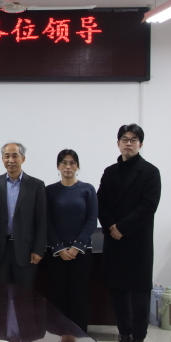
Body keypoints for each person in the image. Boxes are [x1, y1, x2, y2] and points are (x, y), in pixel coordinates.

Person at [97, 124, 161, 342]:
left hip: (137, 242)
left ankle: (139, 336)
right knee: (117, 291)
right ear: (118, 143)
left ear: (140, 144)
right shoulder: (109, 172)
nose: (129, 143)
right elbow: (100, 203)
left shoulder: (150, 172)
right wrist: (111, 227)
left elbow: (148, 206)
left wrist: (122, 228)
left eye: (133, 140)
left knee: (139, 294)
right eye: (125, 139)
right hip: (114, 242)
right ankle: (124, 333)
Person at [46, 149, 98, 332]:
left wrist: (77, 247)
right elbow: (46, 221)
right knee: (58, 296)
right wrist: (59, 248)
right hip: (56, 254)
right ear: (58, 166)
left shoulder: (87, 189)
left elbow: (92, 220)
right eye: (64, 163)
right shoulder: (49, 191)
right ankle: (59, 334)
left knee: (79, 296)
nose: (68, 167)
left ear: (77, 166)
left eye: (72, 163)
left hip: (81, 253)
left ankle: (80, 335)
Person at [0, 142, 47, 289]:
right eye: (7, 156)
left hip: (26, 250)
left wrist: (38, 249)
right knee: (0, 295)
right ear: (2, 159)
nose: (11, 160)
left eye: (15, 156)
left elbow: (42, 220)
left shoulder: (36, 185)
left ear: (23, 158)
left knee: (24, 295)